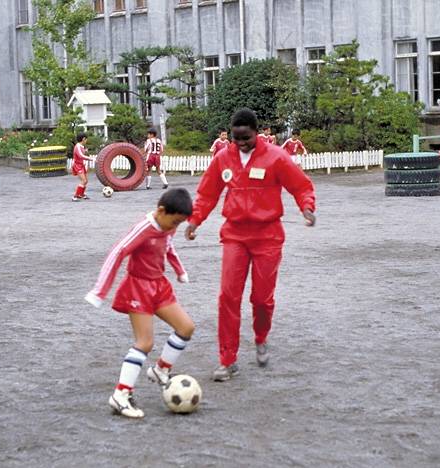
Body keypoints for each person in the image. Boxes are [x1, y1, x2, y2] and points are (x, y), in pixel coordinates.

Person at [184, 108, 316, 382]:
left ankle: (261, 337)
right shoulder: (223, 158)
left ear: (257, 133)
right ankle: (227, 359)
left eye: (246, 138)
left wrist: (307, 208)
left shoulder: (276, 157)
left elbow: (301, 186)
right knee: (228, 296)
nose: (241, 143)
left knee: (261, 298)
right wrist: (195, 220)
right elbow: (207, 193)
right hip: (234, 235)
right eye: (236, 138)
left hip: (268, 236)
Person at [85, 188, 195, 418]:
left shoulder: (168, 227)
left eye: (179, 225)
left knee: (186, 328)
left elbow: (168, 246)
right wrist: (100, 291)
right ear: (161, 211)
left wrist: (180, 271)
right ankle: (121, 395)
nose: (174, 228)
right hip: (138, 288)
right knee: (145, 342)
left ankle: (160, 370)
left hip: (159, 286)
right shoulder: (144, 229)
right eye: (173, 222)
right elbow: (118, 252)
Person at [71, 132, 93, 201]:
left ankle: (81, 194)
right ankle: (75, 196)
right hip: (77, 165)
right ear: (83, 139)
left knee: (86, 181)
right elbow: (81, 156)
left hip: (81, 165)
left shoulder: (81, 146)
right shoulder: (77, 146)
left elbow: (81, 154)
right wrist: (91, 159)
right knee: (84, 180)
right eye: (86, 139)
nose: (86, 141)